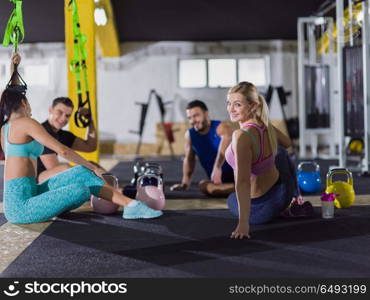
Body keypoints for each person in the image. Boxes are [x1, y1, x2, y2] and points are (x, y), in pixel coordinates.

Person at [0, 53, 162, 224]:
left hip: (33, 193)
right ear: (24, 104)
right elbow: (63, 151)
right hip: (21, 207)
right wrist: (93, 167)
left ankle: (131, 205)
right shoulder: (26, 123)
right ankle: (131, 205)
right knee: (80, 190)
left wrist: (14, 68)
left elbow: (11, 94)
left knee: (80, 172)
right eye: (28, 104)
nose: (31, 108)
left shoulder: (5, 128)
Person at [225, 81, 311, 239]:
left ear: (252, 106)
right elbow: (287, 143)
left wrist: (243, 224)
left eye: (237, 104)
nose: (231, 109)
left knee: (231, 200)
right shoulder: (265, 126)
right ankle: (295, 198)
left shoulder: (241, 135)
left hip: (262, 210)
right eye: (229, 103)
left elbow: (243, 182)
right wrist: (268, 129)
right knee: (281, 153)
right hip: (282, 193)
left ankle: (291, 201)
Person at [170, 100, 235, 196]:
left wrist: (217, 167)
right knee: (204, 186)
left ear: (206, 113)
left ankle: (247, 185)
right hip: (220, 182)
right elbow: (189, 159)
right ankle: (245, 189)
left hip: (239, 174)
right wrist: (185, 183)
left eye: (196, 116)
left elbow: (225, 146)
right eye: (189, 118)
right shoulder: (190, 134)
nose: (193, 121)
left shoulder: (221, 127)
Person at [37, 97, 97, 183]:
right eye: (60, 112)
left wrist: (90, 121)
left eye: (67, 115)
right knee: (66, 169)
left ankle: (115, 189)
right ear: (50, 110)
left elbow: (90, 147)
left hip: (50, 176)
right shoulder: (43, 132)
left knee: (92, 165)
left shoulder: (62, 135)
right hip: (36, 179)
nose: (63, 118)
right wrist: (91, 170)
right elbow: (55, 170)